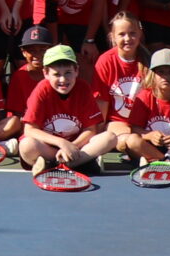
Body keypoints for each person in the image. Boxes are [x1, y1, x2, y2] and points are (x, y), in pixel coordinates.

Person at [18, 43, 117, 174]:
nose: (63, 79)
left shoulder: (84, 88)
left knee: (110, 138)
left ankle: (55, 165)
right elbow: (30, 130)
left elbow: (91, 130)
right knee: (26, 146)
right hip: (48, 148)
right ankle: (79, 163)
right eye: (57, 74)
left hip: (76, 147)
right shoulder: (41, 90)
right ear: (46, 73)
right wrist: (61, 143)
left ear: (76, 71)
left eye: (68, 73)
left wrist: (72, 147)